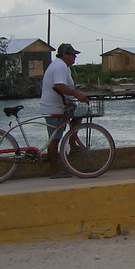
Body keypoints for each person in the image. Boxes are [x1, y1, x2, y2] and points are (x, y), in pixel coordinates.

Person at [40, 43, 89, 178]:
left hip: (61, 105)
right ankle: (54, 171)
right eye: (73, 55)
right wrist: (76, 94)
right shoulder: (60, 66)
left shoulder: (63, 66)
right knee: (54, 139)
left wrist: (73, 95)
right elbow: (59, 86)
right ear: (65, 55)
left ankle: (73, 142)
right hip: (54, 107)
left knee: (81, 111)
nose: (74, 58)